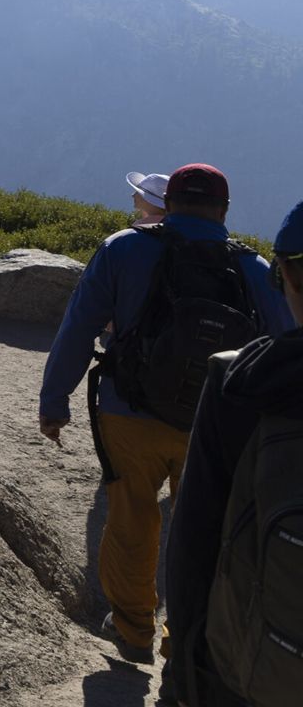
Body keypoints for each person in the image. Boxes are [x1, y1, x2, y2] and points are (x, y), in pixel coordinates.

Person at [38, 164, 293, 670]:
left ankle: (134, 630)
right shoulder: (254, 268)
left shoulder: (123, 248)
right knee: (203, 532)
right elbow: (287, 340)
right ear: (223, 210)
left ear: (168, 203)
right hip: (215, 423)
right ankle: (184, 643)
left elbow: (78, 326)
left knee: (132, 515)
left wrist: (54, 401)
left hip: (128, 411)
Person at [163, 200, 303, 706]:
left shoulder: (240, 381)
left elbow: (194, 542)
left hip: (252, 673)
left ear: (283, 274)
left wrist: (186, 673)